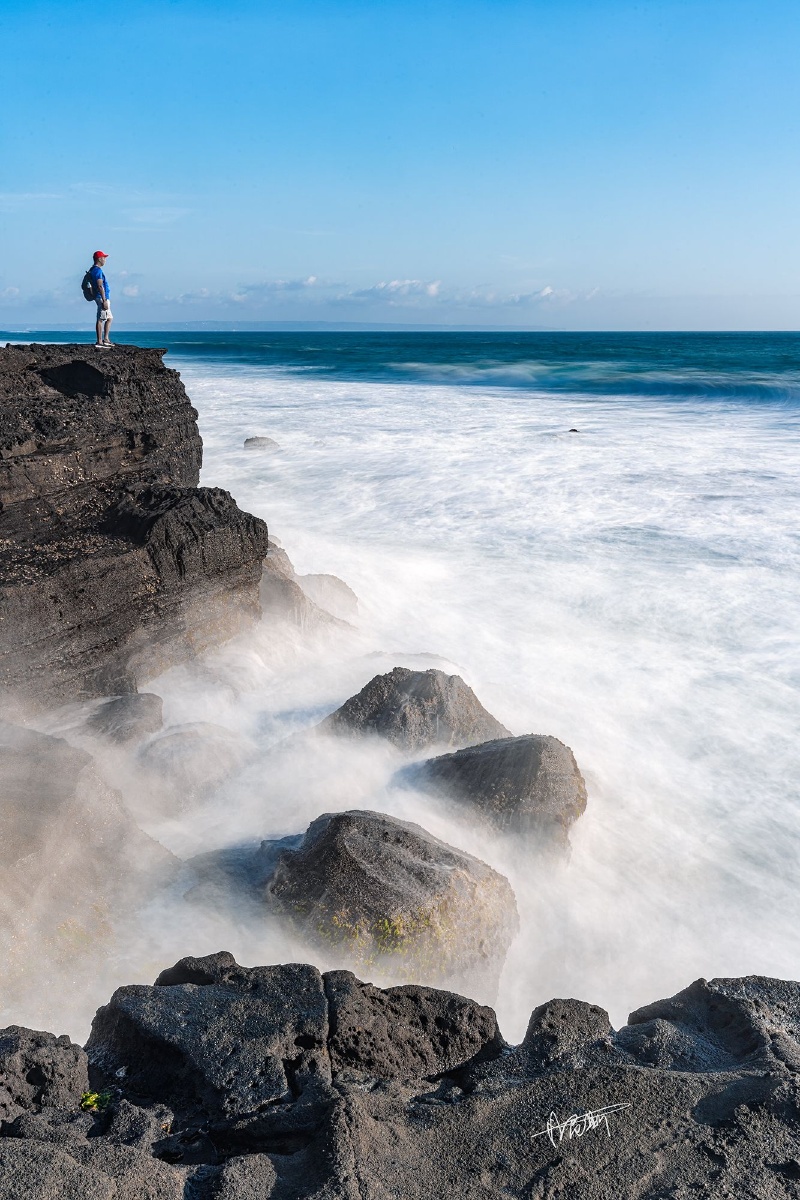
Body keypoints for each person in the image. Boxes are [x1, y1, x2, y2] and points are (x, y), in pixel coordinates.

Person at [90, 251, 113, 347]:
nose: (105, 260)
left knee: (109, 318)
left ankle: (106, 339)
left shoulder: (94, 270)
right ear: (99, 259)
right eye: (104, 258)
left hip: (102, 297)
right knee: (101, 318)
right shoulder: (97, 271)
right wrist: (104, 300)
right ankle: (100, 341)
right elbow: (100, 285)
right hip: (101, 297)